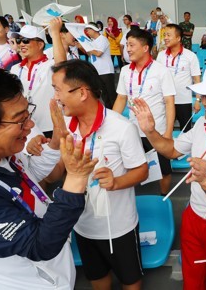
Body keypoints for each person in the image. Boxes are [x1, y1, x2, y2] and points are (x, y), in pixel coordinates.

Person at [0, 63, 99, 289]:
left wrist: (54, 144)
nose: (30, 125)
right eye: (20, 120)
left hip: (55, 274)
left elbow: (30, 175)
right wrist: (76, 179)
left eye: (29, 113)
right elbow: (40, 245)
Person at [130, 58, 206, 290]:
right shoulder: (203, 122)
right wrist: (151, 131)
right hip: (193, 216)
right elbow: (172, 150)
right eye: (202, 95)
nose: (204, 102)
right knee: (192, 281)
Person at [51, 59, 148, 290]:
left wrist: (116, 182)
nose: (56, 97)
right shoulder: (66, 126)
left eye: (58, 90)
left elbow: (142, 171)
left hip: (119, 226)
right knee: (96, 277)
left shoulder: (122, 128)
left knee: (130, 280)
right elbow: (56, 172)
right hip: (82, 224)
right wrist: (44, 149)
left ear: (82, 92)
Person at [112, 29, 175, 196]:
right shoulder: (125, 71)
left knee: (164, 170)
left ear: (145, 48)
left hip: (157, 131)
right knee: (132, 167)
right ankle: (135, 200)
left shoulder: (161, 71)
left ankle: (163, 198)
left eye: (132, 45)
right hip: (132, 130)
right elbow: (121, 99)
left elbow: (169, 102)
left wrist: (168, 132)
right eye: (127, 45)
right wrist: (110, 122)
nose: (128, 49)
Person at [10, 18, 67, 137]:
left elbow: (61, 64)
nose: (21, 44)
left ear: (40, 44)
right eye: (19, 40)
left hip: (50, 126)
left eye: (26, 40)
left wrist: (55, 33)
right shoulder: (15, 69)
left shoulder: (50, 65)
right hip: (24, 126)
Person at [157, 24, 201, 132]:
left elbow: (197, 80)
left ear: (178, 38)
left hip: (183, 101)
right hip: (165, 101)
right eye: (164, 35)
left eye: (168, 35)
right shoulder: (161, 56)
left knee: (185, 132)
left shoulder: (190, 56)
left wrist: (198, 100)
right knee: (165, 131)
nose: (165, 38)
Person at [84, 22, 117, 109]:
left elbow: (99, 53)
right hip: (98, 71)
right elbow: (90, 54)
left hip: (106, 70)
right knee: (104, 95)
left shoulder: (103, 39)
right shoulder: (92, 42)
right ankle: (110, 112)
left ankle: (118, 113)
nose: (87, 32)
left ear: (94, 29)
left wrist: (89, 48)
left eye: (88, 30)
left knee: (111, 94)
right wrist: (82, 46)